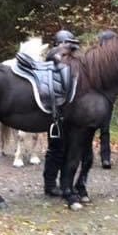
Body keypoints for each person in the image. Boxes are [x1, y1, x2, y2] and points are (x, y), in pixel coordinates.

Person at [42, 29, 79, 196]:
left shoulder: (71, 63)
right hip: (56, 113)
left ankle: (62, 184)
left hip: (65, 114)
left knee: (63, 150)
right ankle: (50, 184)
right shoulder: (55, 57)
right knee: (56, 149)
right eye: (68, 44)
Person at [96, 30, 118, 169]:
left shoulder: (116, 61)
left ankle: (106, 158)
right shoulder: (95, 57)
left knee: (105, 129)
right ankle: (85, 155)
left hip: (107, 98)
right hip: (93, 96)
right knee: (88, 128)